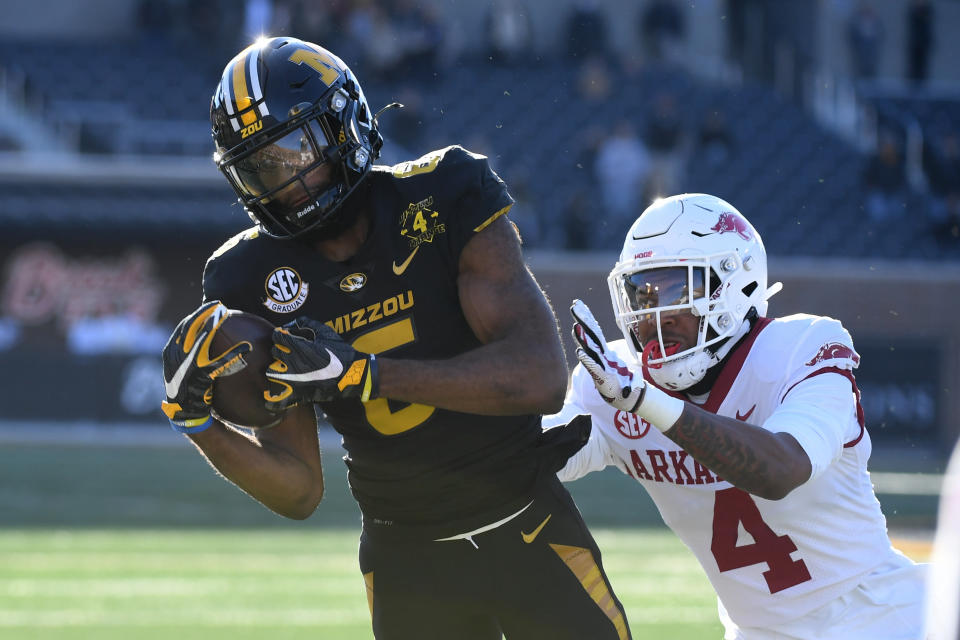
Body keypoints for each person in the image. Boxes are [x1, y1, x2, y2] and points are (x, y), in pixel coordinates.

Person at [160, 37, 631, 640]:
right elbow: (300, 489)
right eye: (261, 168)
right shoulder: (244, 277)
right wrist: (198, 426)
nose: (286, 182)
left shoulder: (443, 194)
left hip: (526, 524)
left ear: (344, 122)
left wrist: (365, 374)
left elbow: (539, 377)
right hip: (406, 559)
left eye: (294, 151)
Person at [543, 193, 926, 639]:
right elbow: (533, 455)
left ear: (735, 285)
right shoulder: (614, 380)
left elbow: (780, 470)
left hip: (882, 616)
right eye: (640, 293)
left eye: (675, 289)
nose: (651, 314)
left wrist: (644, 400)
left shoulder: (800, 348)